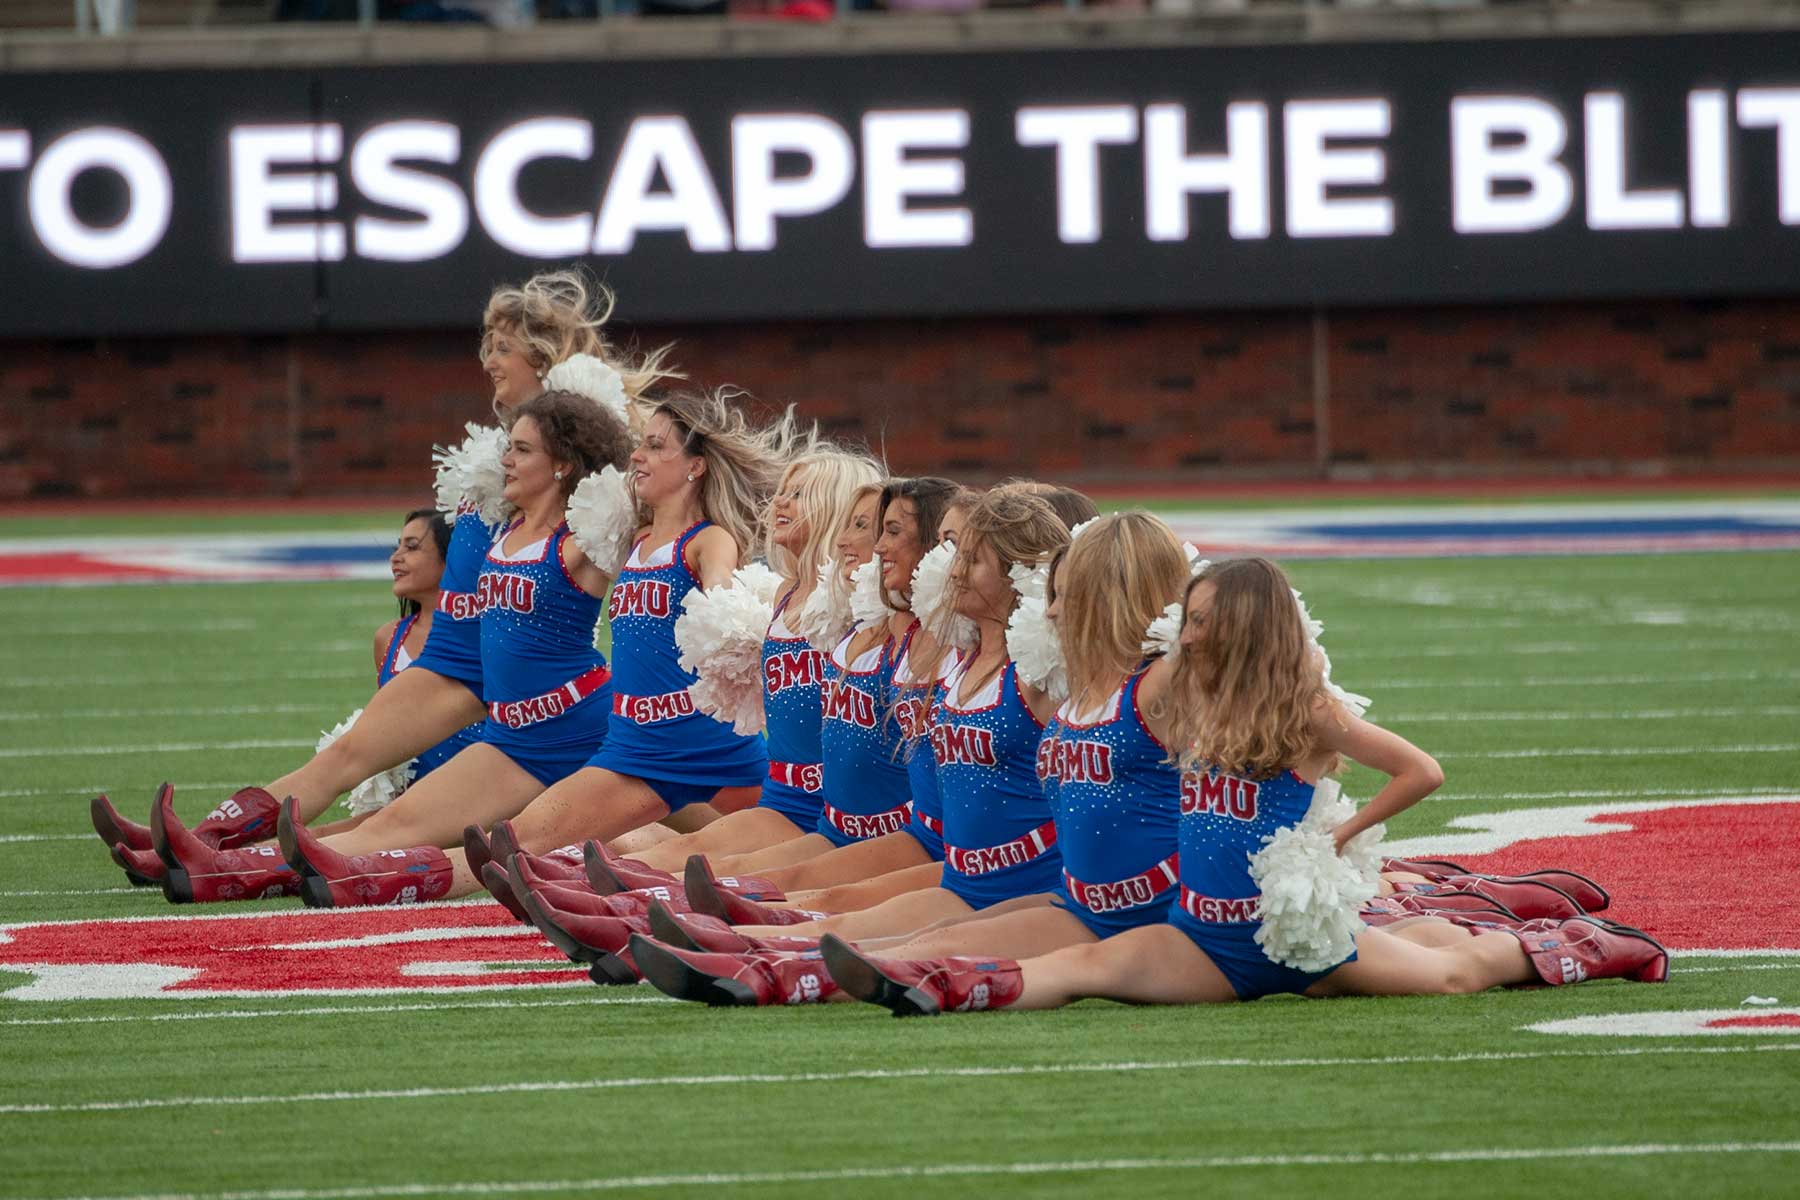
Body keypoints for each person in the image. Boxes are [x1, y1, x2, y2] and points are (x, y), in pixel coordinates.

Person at [818, 556, 1670, 1015]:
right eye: (1187, 618)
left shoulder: (1306, 711)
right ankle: (935, 988)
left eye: (1202, 622)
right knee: (1085, 965)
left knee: (1451, 976)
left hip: (1292, 939)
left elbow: (1422, 770)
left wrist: (1338, 836)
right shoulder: (1185, 699)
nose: (1187, 634)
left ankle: (1580, 946)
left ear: (1248, 627)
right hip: (1202, 936)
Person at [117, 272, 675, 858]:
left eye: (502, 347)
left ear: (541, 355)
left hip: (508, 681)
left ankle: (202, 853)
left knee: (672, 803)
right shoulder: (504, 448)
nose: (488, 361)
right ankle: (196, 845)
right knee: (354, 773)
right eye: (486, 345)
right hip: (458, 655)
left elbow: (628, 528)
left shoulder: (571, 458)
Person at [154, 389, 636, 904]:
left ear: (562, 464)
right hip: (514, 735)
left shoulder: (584, 542)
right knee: (393, 824)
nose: (506, 460)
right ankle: (223, 868)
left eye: (522, 450)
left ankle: (234, 868)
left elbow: (660, 517)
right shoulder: (507, 525)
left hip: (580, 726)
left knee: (683, 820)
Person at [94, 507, 484, 886]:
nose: (396, 557)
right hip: (413, 796)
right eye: (397, 546)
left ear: (453, 561)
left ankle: (190, 857)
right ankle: (191, 844)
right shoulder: (390, 638)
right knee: (331, 793)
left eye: (412, 547)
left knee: (329, 836)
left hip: (464, 798)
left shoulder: (484, 641)